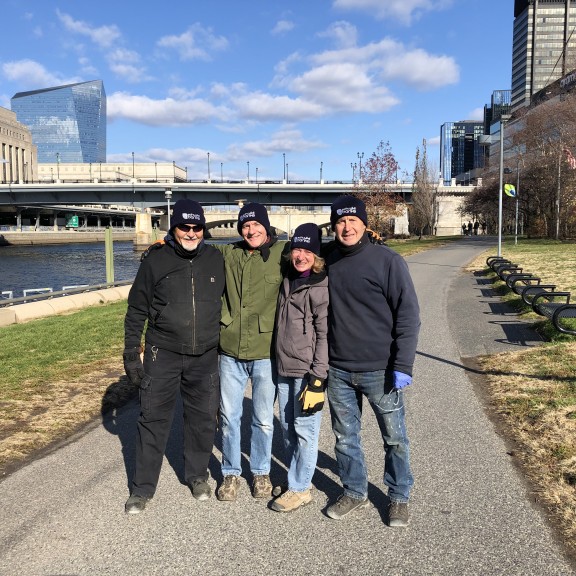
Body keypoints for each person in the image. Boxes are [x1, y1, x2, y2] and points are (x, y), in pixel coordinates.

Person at [323, 195, 420, 527]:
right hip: (337, 369)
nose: (346, 227)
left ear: (365, 224)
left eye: (353, 220)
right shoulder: (328, 259)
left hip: (381, 370)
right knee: (345, 437)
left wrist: (403, 365)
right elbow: (293, 253)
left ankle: (399, 496)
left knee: (394, 438)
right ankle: (354, 491)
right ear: (333, 226)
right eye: (340, 221)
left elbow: (408, 315)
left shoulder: (388, 261)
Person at [122, 199, 225, 514]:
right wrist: (130, 352)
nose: (191, 233)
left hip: (205, 354)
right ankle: (142, 489)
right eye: (185, 227)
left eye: (197, 228)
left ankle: (197, 476)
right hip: (162, 353)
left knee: (202, 419)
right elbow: (137, 308)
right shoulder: (155, 260)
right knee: (152, 419)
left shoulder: (216, 258)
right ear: (174, 228)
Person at [215, 203, 290, 501]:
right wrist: (163, 243)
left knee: (261, 418)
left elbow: (313, 253)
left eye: (256, 224)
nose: (251, 230)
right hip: (230, 349)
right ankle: (230, 473)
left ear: (267, 226)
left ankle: (260, 472)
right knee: (230, 416)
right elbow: (192, 248)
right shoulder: (228, 253)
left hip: (265, 351)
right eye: (245, 226)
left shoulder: (282, 253)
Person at [270, 223, 329, 513]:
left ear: (316, 256)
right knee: (288, 429)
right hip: (284, 367)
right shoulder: (288, 279)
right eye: (297, 249)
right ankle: (296, 477)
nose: (301, 256)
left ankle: (301, 489)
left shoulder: (320, 287)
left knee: (305, 431)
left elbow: (325, 334)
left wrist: (318, 377)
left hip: (307, 372)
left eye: (308, 251)